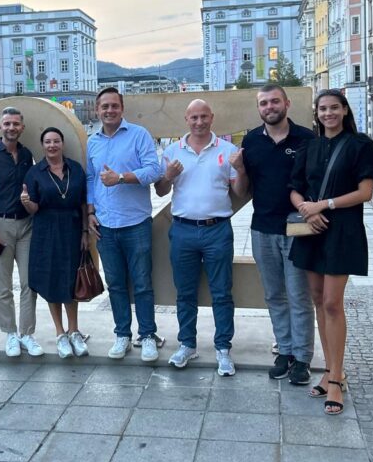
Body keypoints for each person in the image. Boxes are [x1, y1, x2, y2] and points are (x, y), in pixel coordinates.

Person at [289, 89, 373, 415]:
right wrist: (305, 209)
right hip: (311, 229)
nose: (328, 113)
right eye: (323, 108)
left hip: (342, 230)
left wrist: (323, 205)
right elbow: (295, 187)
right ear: (316, 113)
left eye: (334, 108)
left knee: (332, 302)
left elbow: (365, 192)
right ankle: (328, 370)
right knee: (316, 299)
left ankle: (337, 379)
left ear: (344, 110)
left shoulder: (360, 144)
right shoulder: (309, 145)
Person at [231, 84, 317, 386]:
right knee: (274, 295)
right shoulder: (251, 141)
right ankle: (285, 350)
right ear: (259, 108)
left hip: (298, 226)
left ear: (287, 104)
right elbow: (242, 191)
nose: (270, 107)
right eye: (264, 103)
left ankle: (303, 358)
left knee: (299, 295)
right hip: (262, 227)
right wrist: (240, 170)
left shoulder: (307, 139)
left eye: (274, 101)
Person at [154, 99, 240, 374]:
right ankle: (187, 345)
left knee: (222, 292)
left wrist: (242, 169)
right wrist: (167, 176)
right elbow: (160, 191)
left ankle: (223, 349)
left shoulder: (228, 151)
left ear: (212, 117)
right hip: (183, 230)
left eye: (204, 116)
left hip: (217, 229)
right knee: (185, 292)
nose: (199, 122)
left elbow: (240, 191)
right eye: (194, 117)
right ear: (186, 119)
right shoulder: (172, 150)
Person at [86, 86, 162, 361]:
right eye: (104, 106)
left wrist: (121, 178)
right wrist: (90, 211)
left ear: (122, 108)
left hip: (136, 223)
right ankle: (122, 335)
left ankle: (148, 335)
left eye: (114, 106)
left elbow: (154, 171)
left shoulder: (139, 135)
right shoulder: (92, 141)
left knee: (142, 283)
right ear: (97, 110)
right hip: (105, 224)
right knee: (116, 284)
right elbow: (90, 178)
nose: (109, 111)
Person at [0, 106, 42, 357]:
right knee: (3, 286)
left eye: (16, 124)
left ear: (22, 127)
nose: (11, 128)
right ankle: (10, 333)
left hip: (26, 225)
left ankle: (27, 333)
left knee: (28, 283)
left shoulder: (26, 155)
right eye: (7, 124)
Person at [21, 126, 89, 359]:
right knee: (51, 279)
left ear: (62, 144)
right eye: (47, 142)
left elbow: (82, 201)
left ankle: (74, 330)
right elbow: (34, 208)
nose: (52, 145)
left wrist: (85, 232)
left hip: (71, 228)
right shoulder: (35, 172)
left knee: (71, 279)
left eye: (56, 141)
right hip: (46, 231)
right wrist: (26, 202)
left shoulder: (76, 169)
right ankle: (60, 333)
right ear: (43, 146)